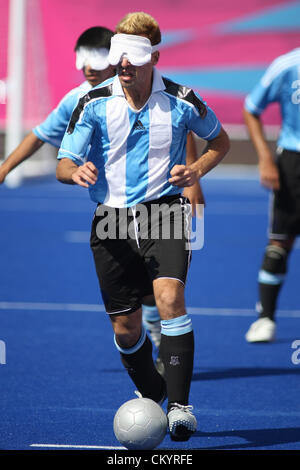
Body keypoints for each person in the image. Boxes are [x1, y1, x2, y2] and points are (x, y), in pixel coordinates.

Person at [56, 11, 230, 441]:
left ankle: (181, 407)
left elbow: (220, 140)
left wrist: (198, 169)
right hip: (110, 221)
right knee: (126, 328)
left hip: (164, 213)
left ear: (154, 55)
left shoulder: (183, 99)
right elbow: (63, 162)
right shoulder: (92, 101)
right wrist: (74, 173)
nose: (124, 65)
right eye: (119, 56)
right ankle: (153, 391)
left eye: (133, 57)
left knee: (170, 298)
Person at [0, 25, 204, 368]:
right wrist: (5, 168)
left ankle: (164, 340)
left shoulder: (150, 86)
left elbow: (182, 125)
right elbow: (38, 136)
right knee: (135, 290)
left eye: (98, 59)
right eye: (84, 61)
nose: (89, 68)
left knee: (165, 283)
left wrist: (193, 179)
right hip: (113, 208)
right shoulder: (79, 100)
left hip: (160, 201)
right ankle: (151, 327)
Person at [243, 47, 300, 343]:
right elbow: (251, 108)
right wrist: (265, 158)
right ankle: (265, 318)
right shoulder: (287, 66)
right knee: (280, 242)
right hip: (294, 163)